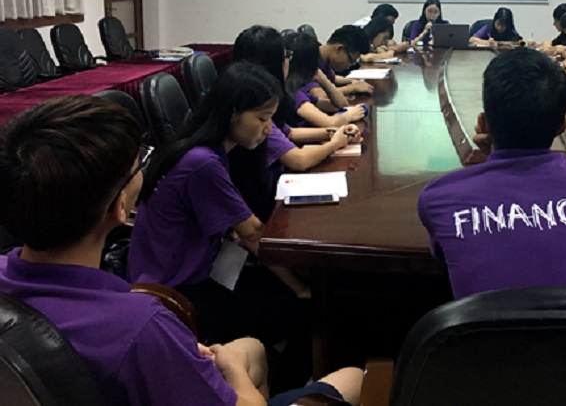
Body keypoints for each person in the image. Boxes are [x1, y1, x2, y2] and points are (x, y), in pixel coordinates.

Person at [0, 95, 362, 406]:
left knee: (250, 347)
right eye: (138, 164)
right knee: (352, 378)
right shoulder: (142, 327)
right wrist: (231, 371)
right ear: (120, 207)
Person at [417, 48, 566, 299]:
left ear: (483, 124)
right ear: (563, 125)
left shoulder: (439, 196)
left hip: (484, 326)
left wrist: (490, 157)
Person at [128, 63, 309, 350]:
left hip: (190, 271)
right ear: (232, 113)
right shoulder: (202, 163)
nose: (268, 129)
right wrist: (301, 288)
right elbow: (252, 233)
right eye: (263, 118)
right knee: (300, 310)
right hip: (175, 293)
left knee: (278, 288)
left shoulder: (202, 148)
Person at [232, 26, 360, 221]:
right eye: (286, 56)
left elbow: (288, 133)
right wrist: (335, 143)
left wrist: (334, 133)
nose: (288, 61)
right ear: (273, 62)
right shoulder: (252, 105)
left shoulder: (258, 93)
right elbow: (298, 160)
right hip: (259, 200)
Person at [286, 31, 368, 129]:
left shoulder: (300, 91)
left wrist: (323, 80)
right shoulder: (294, 93)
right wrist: (349, 115)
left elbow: (341, 105)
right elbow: (331, 123)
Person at [318, 25, 376, 95]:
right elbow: (318, 95)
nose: (349, 66)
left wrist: (352, 81)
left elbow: (332, 78)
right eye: (351, 61)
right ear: (339, 49)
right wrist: (352, 88)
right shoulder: (309, 58)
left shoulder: (324, 60)